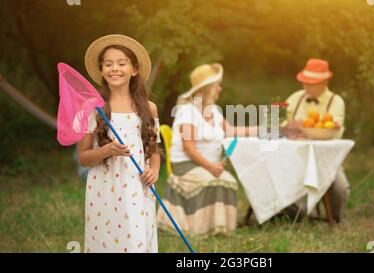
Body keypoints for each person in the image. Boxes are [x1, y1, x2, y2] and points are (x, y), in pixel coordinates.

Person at [77, 34, 161, 252]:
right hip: (104, 190)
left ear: (133, 70)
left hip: (138, 186)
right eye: (108, 64)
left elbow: (153, 149)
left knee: (135, 238)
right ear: (102, 71)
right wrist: (107, 150)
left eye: (121, 63)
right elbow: (83, 158)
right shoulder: (93, 109)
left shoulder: (148, 108)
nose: (115, 68)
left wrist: (155, 170)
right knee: (108, 238)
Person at [156, 63, 257, 235]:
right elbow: (189, 147)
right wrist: (210, 167)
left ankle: (219, 229)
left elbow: (231, 131)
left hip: (206, 164)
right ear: (208, 89)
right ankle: (198, 229)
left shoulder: (214, 111)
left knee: (229, 181)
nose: (220, 89)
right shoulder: (187, 111)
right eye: (217, 85)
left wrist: (264, 129)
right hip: (186, 165)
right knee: (216, 180)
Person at [282, 58, 350, 223]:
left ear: (325, 82)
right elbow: (280, 121)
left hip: (326, 158)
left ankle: (335, 217)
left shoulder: (336, 101)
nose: (306, 87)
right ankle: (300, 216)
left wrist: (305, 129)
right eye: (305, 82)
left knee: (340, 187)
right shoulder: (295, 98)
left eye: (312, 83)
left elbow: (334, 130)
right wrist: (287, 125)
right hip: (295, 157)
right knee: (280, 179)